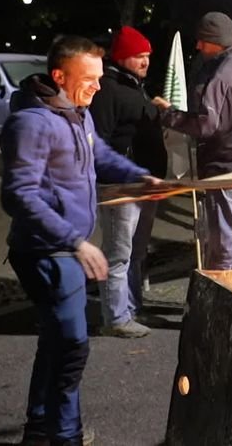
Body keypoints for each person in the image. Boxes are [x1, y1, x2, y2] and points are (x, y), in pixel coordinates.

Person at [2, 35, 157, 446]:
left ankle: (39, 428)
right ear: (59, 75)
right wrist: (77, 242)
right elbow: (18, 195)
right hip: (45, 251)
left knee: (56, 339)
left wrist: (138, 176)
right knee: (72, 343)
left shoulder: (78, 113)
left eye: (100, 78)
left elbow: (99, 155)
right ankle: (65, 435)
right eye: (89, 79)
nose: (99, 87)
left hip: (64, 247)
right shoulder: (32, 123)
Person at [153, 12, 232, 270]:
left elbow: (207, 124)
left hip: (226, 169)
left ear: (216, 40)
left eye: (203, 40)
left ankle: (229, 302)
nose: (198, 46)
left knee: (225, 243)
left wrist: (170, 116)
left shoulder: (223, 74)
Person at [89, 26, 167, 338]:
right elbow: (100, 141)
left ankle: (132, 306)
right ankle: (116, 317)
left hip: (144, 182)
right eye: (138, 56)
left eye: (147, 56)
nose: (145, 61)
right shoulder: (108, 90)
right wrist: (122, 173)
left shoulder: (136, 87)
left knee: (136, 251)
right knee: (119, 252)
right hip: (122, 186)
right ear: (122, 57)